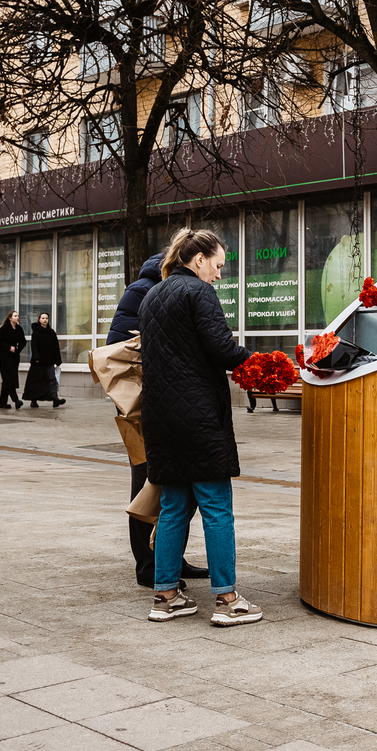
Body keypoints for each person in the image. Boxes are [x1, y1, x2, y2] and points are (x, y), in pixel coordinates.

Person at [139, 228, 261, 625]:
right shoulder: (199, 293)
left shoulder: (153, 295)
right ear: (199, 260)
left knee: (174, 508)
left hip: (161, 419)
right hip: (198, 418)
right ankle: (227, 601)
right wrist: (258, 361)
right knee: (216, 507)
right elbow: (221, 348)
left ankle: (166, 596)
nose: (219, 275)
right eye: (218, 265)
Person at [106, 253, 210, 587]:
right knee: (147, 484)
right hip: (144, 407)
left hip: (173, 403)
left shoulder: (178, 290)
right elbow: (117, 348)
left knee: (177, 486)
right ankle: (147, 567)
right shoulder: (144, 290)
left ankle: (171, 559)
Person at [21, 312, 65, 408]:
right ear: (39, 320)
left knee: (52, 379)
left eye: (46, 318)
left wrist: (57, 360)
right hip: (38, 362)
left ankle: (55, 399)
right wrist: (36, 358)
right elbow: (34, 346)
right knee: (36, 381)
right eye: (43, 318)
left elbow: (55, 347)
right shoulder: (36, 332)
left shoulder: (51, 332)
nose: (45, 320)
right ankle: (33, 400)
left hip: (49, 361)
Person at [0, 310, 25, 410]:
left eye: (18, 316)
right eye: (15, 316)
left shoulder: (19, 329)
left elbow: (23, 341)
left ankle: (2, 403)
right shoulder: (4, 328)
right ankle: (16, 400)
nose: (17, 317)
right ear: (10, 318)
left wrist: (17, 349)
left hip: (14, 356)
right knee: (8, 378)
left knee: (8, 379)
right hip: (5, 356)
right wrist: (8, 347)